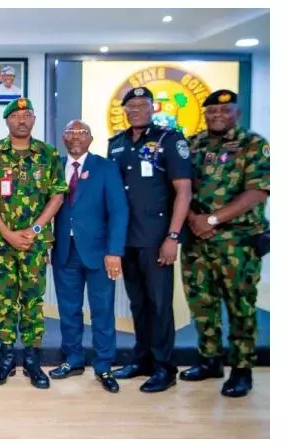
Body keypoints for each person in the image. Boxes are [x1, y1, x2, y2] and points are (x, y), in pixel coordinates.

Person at [180, 89, 269, 398]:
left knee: (240, 305)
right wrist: (193, 219)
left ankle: (242, 368)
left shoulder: (253, 144)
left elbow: (257, 192)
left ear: (236, 114)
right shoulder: (192, 144)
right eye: (212, 111)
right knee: (201, 303)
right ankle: (210, 360)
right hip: (196, 239)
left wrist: (212, 220)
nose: (217, 115)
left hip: (237, 242)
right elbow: (179, 187)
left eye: (225, 110)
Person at [0, 97, 67, 389]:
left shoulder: (49, 154)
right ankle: (5, 359)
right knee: (4, 302)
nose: (22, 120)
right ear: (7, 120)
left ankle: (32, 360)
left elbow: (57, 195)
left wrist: (34, 230)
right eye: (16, 116)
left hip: (34, 244)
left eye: (27, 115)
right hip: (2, 244)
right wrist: (7, 233)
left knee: (32, 302)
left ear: (34, 119)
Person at [107, 87, 192, 393]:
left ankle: (164, 367)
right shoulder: (116, 143)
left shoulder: (170, 139)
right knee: (138, 303)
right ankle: (142, 359)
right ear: (124, 110)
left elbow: (184, 191)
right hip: (127, 237)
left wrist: (173, 236)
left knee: (159, 304)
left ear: (153, 108)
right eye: (131, 106)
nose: (136, 110)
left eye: (143, 105)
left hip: (157, 238)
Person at [48, 120, 128, 393]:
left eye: (82, 133)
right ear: (63, 138)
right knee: (68, 310)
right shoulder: (55, 166)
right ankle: (73, 359)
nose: (76, 137)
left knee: (102, 310)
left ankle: (104, 364)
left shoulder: (105, 168)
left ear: (91, 139)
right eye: (70, 132)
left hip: (99, 253)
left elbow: (118, 212)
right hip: (64, 251)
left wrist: (114, 251)